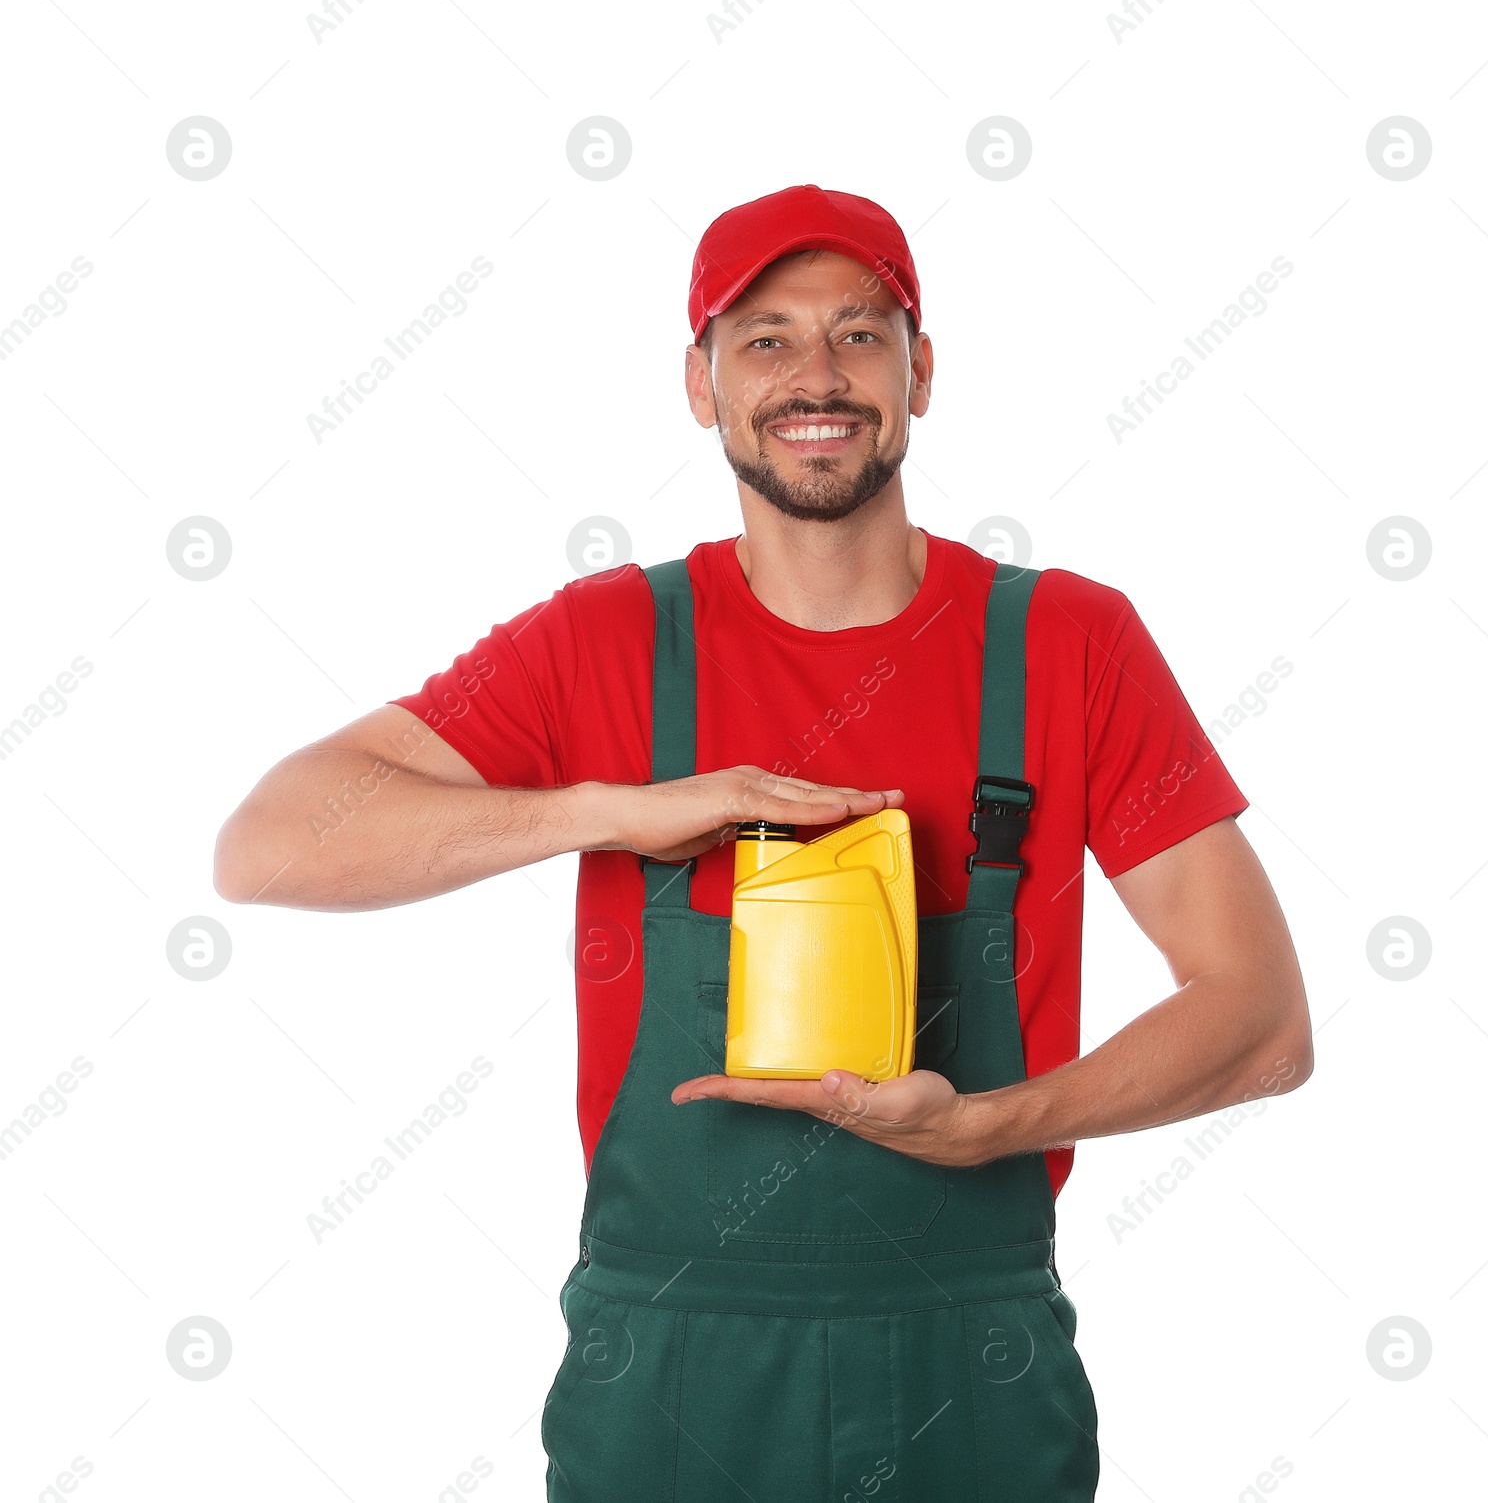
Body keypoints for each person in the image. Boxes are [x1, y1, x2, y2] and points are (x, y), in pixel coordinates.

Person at [214, 183, 1313, 1502]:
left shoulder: (1066, 646)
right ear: (701, 381)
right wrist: (615, 807)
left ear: (920, 370)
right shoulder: (606, 640)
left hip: (970, 1361)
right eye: (767, 338)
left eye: (859, 334)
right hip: (667, 1371)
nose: (817, 377)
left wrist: (990, 1127)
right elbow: (266, 847)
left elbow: (1263, 1024)